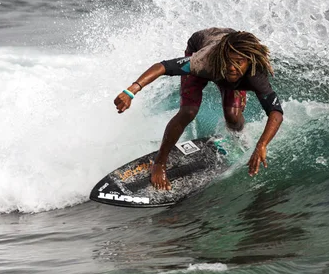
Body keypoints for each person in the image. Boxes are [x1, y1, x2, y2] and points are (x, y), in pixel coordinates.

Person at [114, 28, 284, 190]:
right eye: (229, 62)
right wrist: (131, 90)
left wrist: (262, 144)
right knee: (188, 111)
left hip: (229, 44)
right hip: (203, 45)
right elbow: (163, 67)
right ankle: (160, 162)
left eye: (238, 63)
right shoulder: (203, 61)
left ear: (248, 61)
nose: (232, 67)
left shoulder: (256, 74)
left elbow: (275, 112)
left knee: (233, 116)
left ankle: (238, 133)